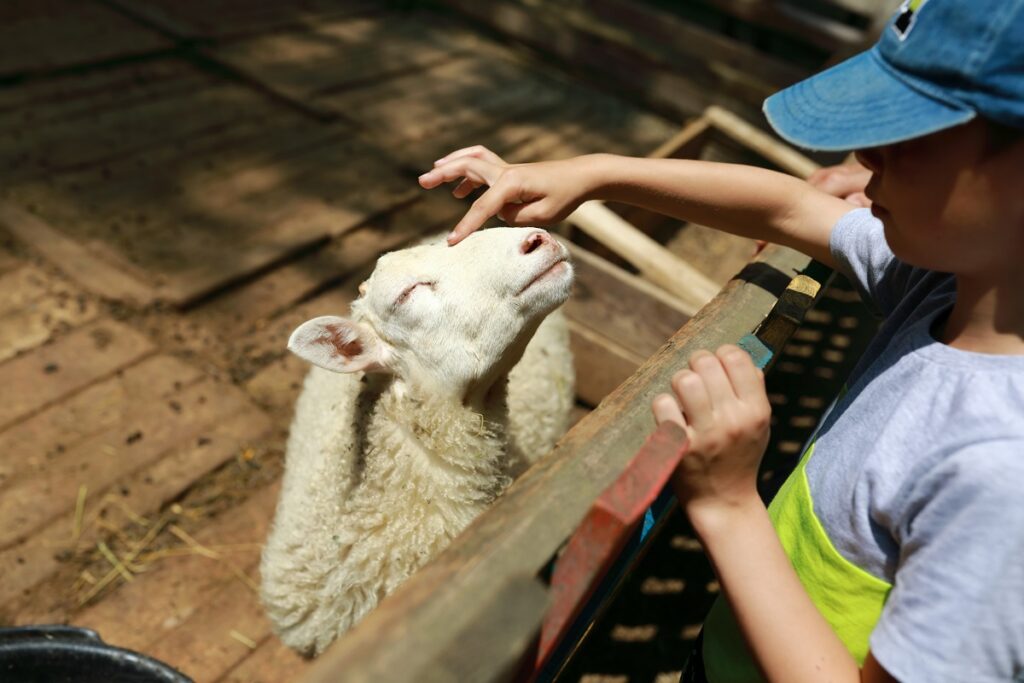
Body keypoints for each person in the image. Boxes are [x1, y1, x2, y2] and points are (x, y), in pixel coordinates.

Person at [418, 0, 1024, 680]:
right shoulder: (945, 287)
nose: (865, 155)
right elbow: (790, 206)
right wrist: (595, 174)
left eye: (910, 135)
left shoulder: (1001, 474)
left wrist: (728, 503)